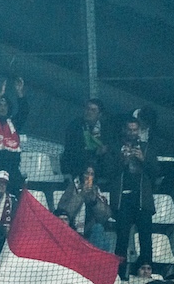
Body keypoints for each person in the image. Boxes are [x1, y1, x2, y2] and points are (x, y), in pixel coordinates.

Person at [101, 118, 159, 273]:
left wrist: (143, 160)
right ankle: (119, 274)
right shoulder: (114, 147)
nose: (132, 133)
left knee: (146, 240)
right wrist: (122, 161)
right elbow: (107, 172)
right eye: (130, 130)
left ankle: (145, 274)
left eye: (135, 130)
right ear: (124, 130)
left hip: (142, 200)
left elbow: (156, 172)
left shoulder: (146, 148)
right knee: (122, 240)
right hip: (123, 200)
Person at [55, 164, 113, 252]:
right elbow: (64, 212)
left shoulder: (96, 191)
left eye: (91, 174)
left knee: (99, 229)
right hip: (73, 231)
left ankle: (96, 257)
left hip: (89, 231)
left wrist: (94, 201)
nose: (88, 177)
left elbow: (105, 216)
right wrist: (81, 195)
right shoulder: (72, 188)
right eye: (86, 173)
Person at [63, 98, 107, 177]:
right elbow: (71, 149)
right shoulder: (75, 125)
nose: (89, 112)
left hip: (97, 171)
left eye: (93, 110)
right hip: (76, 168)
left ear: (99, 114)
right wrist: (95, 152)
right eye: (87, 109)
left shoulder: (105, 129)